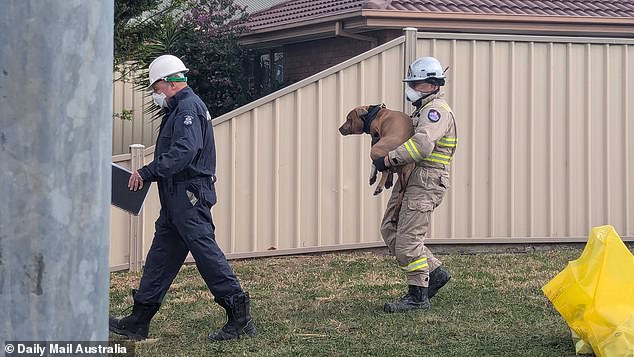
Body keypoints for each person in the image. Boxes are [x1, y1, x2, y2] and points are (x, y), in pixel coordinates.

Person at [109, 54, 257, 341]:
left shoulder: (188, 108)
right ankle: (138, 321)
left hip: (188, 195)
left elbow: (184, 152)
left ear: (169, 83)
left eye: (156, 88)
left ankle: (240, 318)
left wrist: (147, 171)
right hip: (176, 198)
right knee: (161, 257)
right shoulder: (180, 109)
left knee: (205, 253)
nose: (156, 94)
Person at [373, 56, 456, 313]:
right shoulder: (420, 111)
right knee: (390, 229)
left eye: (416, 83)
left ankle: (417, 297)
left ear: (431, 85)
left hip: (426, 180)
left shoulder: (436, 112)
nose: (411, 88)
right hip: (411, 177)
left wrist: (388, 159)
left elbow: (421, 145)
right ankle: (436, 273)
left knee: (408, 241)